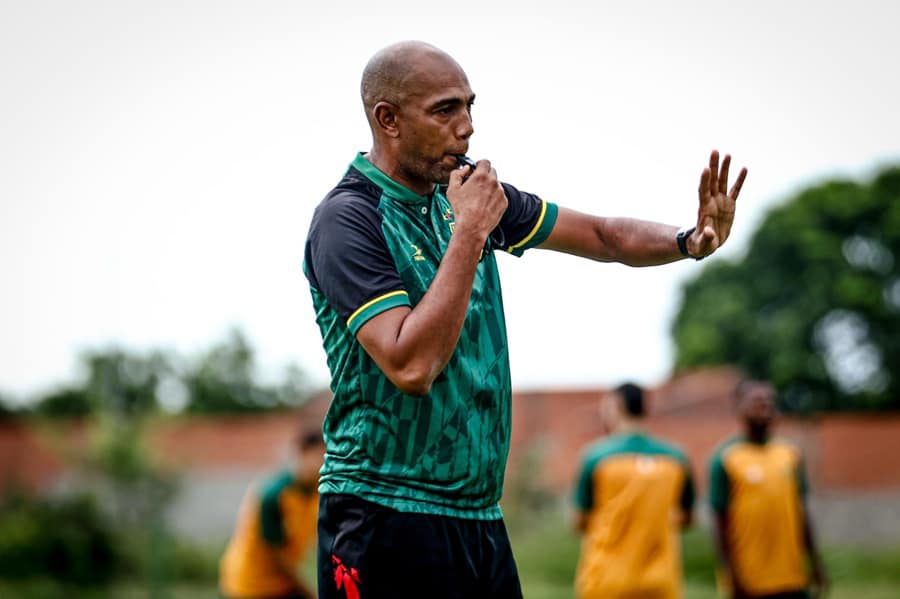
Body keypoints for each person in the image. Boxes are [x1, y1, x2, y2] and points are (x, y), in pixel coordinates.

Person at [302, 40, 747, 599]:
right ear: (387, 119)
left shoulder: (469, 198)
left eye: (469, 106)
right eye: (445, 110)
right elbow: (412, 365)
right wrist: (468, 232)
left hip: (477, 515)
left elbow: (604, 236)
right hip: (381, 512)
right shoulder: (349, 219)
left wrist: (688, 241)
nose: (466, 128)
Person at [572, 383, 695, 599]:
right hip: (660, 581)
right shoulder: (676, 457)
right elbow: (687, 517)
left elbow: (580, 521)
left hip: (607, 580)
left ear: (616, 406)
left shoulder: (596, 458)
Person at [709, 380, 828, 599]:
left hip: (792, 577)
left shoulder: (790, 454)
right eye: (756, 401)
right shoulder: (725, 457)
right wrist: (730, 574)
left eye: (769, 401)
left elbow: (801, 512)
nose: (765, 406)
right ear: (738, 408)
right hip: (749, 580)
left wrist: (815, 561)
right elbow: (719, 522)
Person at [219, 429, 325, 599]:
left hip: (282, 583)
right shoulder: (274, 494)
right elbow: (278, 557)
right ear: (302, 453)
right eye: (320, 456)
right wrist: (309, 592)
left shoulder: (316, 492)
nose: (324, 464)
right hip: (250, 585)